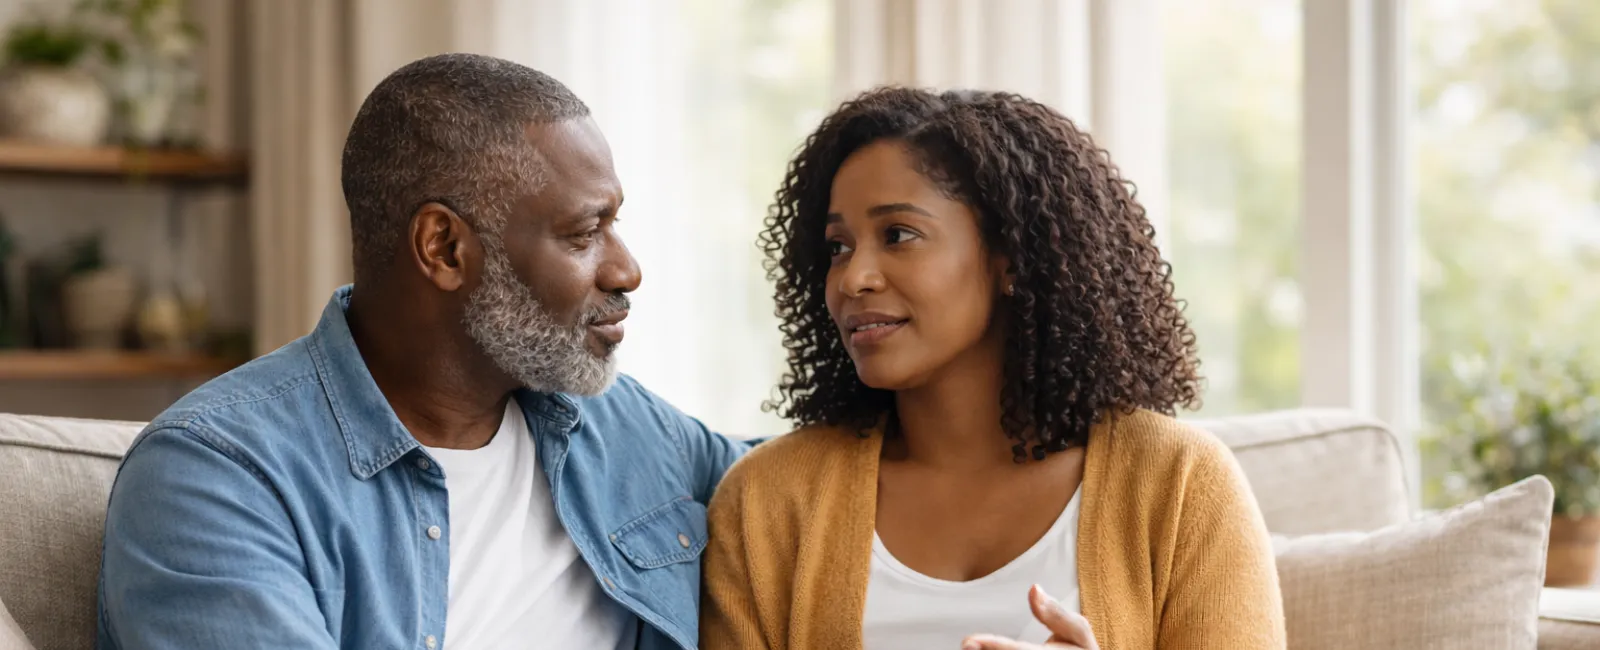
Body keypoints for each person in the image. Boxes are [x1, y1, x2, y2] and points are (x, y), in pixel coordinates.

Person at [96, 53, 747, 650]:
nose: (626, 270)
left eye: (615, 226)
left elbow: (814, 497)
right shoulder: (215, 477)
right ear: (444, 248)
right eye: (584, 233)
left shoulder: (625, 430)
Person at [700, 87, 1287, 650]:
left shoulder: (1180, 484)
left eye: (898, 235)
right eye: (838, 247)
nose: (854, 278)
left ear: (1011, 258)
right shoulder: (767, 501)